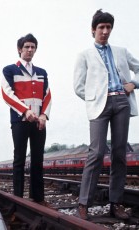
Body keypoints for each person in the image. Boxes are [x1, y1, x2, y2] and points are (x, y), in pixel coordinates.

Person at [73, 9, 139, 220]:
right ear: (93, 30)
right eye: (101, 27)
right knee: (97, 152)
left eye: (108, 27)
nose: (105, 31)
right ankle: (84, 203)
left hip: (121, 102)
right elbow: (78, 86)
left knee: (119, 154)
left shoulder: (121, 51)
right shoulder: (84, 55)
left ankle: (115, 203)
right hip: (99, 106)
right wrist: (95, 98)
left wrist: (133, 84)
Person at [1, 33, 52, 205]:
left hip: (39, 122)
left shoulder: (42, 72)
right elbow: (7, 94)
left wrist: (44, 114)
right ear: (19, 49)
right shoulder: (9, 70)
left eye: (33, 47)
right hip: (20, 121)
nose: (30, 50)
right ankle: (18, 199)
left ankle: (38, 198)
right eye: (27, 47)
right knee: (19, 160)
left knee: (38, 160)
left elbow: (47, 95)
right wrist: (25, 111)